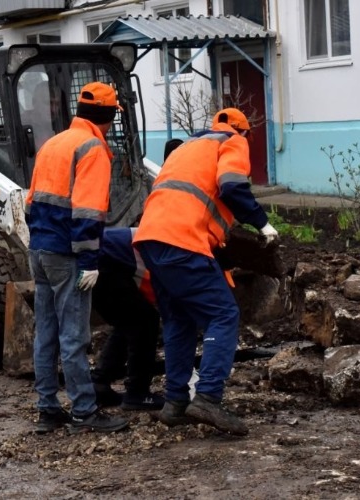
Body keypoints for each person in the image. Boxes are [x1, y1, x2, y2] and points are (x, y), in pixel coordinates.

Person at [133, 108, 278, 436]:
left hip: (150, 240)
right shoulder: (233, 142)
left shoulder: (187, 149)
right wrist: (262, 223)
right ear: (244, 132)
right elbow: (231, 188)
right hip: (182, 240)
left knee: (178, 320)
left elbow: (191, 199)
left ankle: (175, 403)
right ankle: (209, 397)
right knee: (224, 314)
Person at [26, 81, 129, 435]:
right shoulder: (92, 149)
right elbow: (88, 212)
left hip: (39, 250)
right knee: (73, 337)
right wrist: (88, 261)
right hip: (67, 254)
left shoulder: (53, 144)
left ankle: (48, 410)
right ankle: (84, 412)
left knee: (46, 335)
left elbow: (31, 203)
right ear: (108, 116)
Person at [91, 227, 165, 411]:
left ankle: (99, 383)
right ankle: (137, 393)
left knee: (130, 319)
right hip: (105, 259)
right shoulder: (186, 252)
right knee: (145, 321)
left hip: (97, 257)